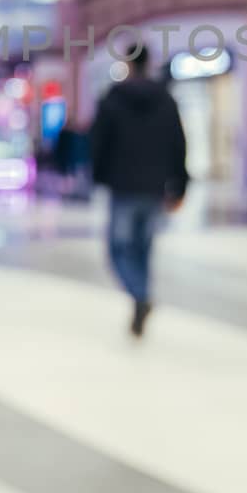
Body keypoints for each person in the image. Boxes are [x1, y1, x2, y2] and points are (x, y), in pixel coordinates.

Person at [89, 44, 188, 337]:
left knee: (118, 250)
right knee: (143, 250)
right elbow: (178, 143)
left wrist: (99, 177)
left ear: (127, 64)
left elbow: (99, 143)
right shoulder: (166, 100)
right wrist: (179, 183)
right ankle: (140, 297)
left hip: (123, 186)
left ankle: (140, 296)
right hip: (155, 187)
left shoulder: (113, 99)